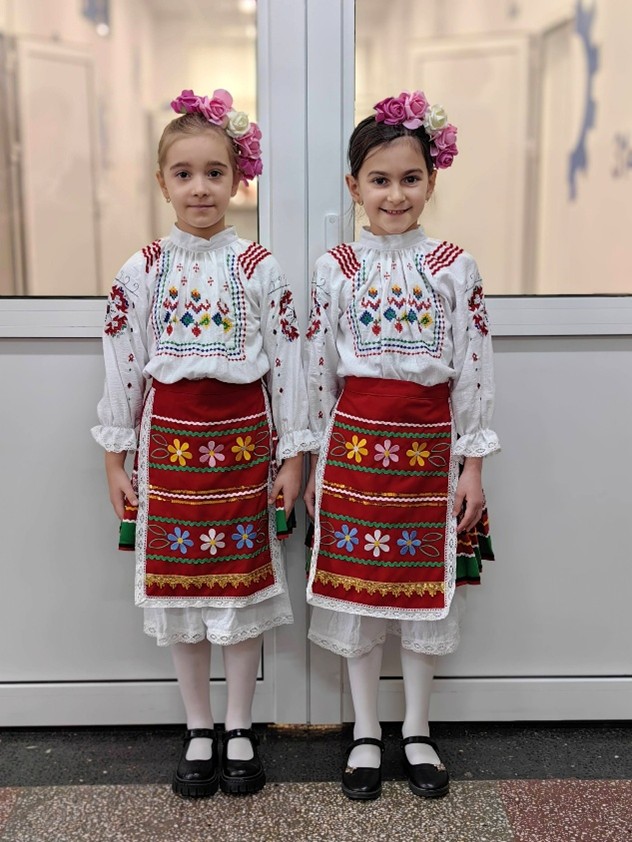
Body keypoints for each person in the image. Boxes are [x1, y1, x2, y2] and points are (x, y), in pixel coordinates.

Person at [92, 88, 316, 799]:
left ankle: (240, 725)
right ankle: (197, 726)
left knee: (242, 592)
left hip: (245, 447)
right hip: (170, 451)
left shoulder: (260, 268)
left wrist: (293, 457)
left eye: (214, 172)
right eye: (183, 173)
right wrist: (114, 458)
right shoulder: (141, 271)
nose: (199, 188)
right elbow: (123, 365)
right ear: (162, 182)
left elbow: (289, 365)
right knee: (181, 596)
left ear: (237, 179)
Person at [304, 90, 499, 801]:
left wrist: (473, 466)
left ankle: (416, 728)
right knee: (359, 595)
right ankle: (364, 729)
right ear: (353, 185)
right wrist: (313, 462)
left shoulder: (454, 266)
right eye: (380, 180)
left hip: (430, 451)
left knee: (424, 599)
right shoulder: (335, 268)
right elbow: (317, 371)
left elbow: (474, 368)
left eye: (410, 178)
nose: (395, 195)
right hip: (353, 451)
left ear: (431, 181)